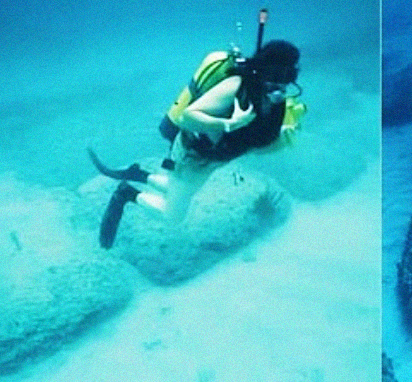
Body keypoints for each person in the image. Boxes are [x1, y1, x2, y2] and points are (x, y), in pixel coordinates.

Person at [93, 38, 304, 249]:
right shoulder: (235, 86)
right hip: (193, 157)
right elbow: (188, 116)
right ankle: (126, 193)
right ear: (263, 70)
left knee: (182, 188)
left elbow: (254, 144)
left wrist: (282, 140)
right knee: (172, 217)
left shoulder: (274, 102)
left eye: (288, 76)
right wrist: (231, 123)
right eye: (277, 75)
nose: (281, 84)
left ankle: (139, 174)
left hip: (213, 158)